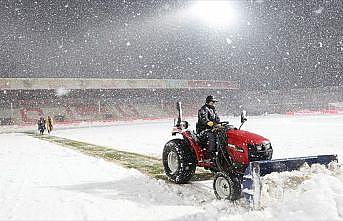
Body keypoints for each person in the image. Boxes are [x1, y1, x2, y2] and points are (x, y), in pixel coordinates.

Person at [196, 95, 221, 162]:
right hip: (203, 130)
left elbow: (217, 119)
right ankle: (209, 154)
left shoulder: (213, 109)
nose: (213, 103)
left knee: (222, 135)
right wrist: (211, 123)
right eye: (212, 101)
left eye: (214, 102)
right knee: (212, 137)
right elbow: (204, 120)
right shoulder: (203, 109)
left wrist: (219, 124)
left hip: (212, 129)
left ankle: (221, 153)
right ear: (208, 101)